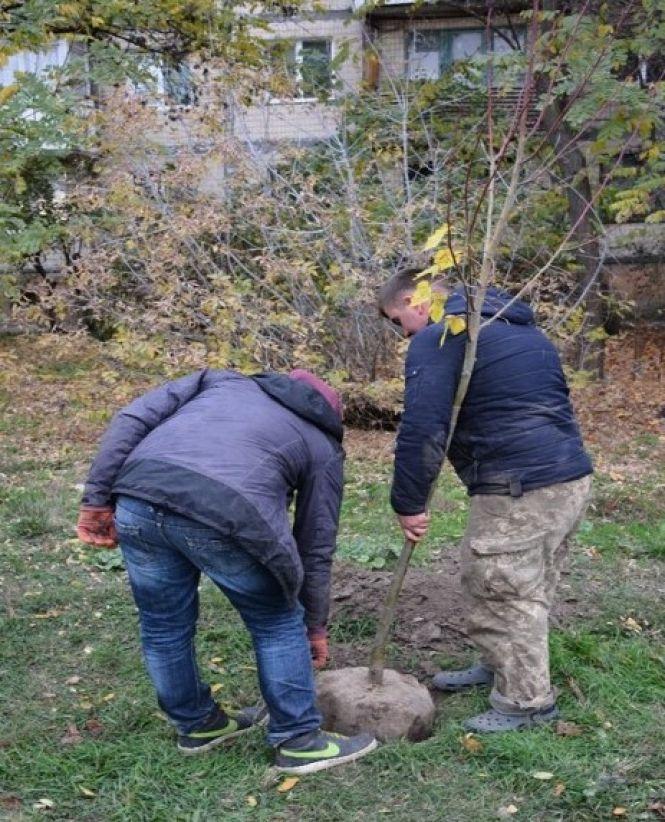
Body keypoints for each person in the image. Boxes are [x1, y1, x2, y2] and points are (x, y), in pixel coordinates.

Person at [76, 367, 377, 772]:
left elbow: (133, 417)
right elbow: (315, 542)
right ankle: (299, 740)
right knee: (277, 621)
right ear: (328, 412)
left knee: (163, 624)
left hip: (138, 497)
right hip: (226, 512)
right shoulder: (322, 444)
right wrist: (314, 625)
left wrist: (96, 498)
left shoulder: (221, 382)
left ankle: (198, 724)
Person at [378, 269, 593, 733]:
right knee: (528, 586)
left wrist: (408, 502)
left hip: (520, 485)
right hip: (568, 477)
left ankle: (526, 702)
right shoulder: (519, 330)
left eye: (399, 320)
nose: (403, 333)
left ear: (419, 301)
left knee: (501, 589)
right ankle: (502, 665)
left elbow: (423, 427)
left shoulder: (442, 337)